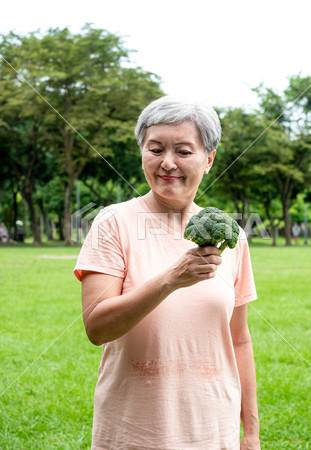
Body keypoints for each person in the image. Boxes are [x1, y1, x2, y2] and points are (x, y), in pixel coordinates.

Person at [74, 96, 260, 449]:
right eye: (155, 149)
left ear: (209, 160)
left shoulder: (230, 237)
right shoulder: (113, 223)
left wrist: (250, 432)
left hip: (213, 429)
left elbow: (239, 338)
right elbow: (97, 327)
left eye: (184, 151)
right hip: (135, 431)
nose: (168, 163)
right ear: (142, 153)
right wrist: (171, 279)